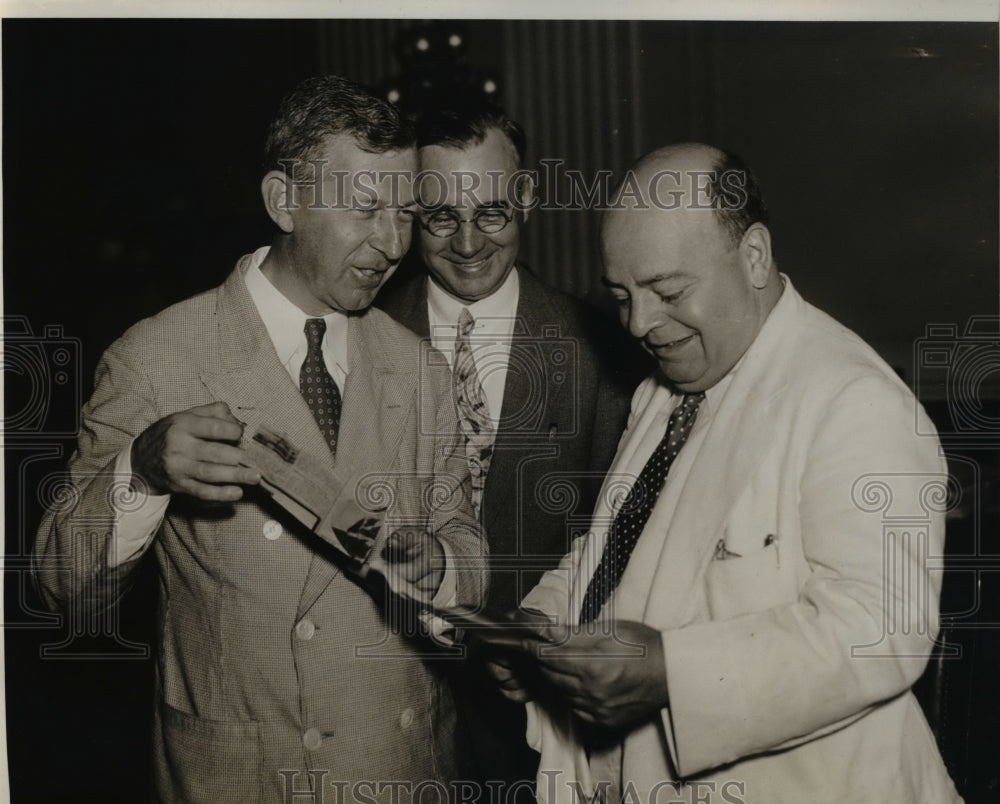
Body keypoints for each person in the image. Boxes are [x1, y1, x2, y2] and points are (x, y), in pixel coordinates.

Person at [32, 75, 485, 804]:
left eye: (406, 212)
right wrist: (140, 473)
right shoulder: (157, 357)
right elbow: (62, 590)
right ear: (284, 201)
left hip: (403, 771)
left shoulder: (420, 369)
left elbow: (463, 536)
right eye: (366, 208)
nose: (393, 243)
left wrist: (443, 567)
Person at [494, 142, 962, 803]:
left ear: (755, 257)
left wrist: (670, 674)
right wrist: (541, 625)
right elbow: (614, 556)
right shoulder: (663, 393)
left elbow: (881, 631)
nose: (639, 323)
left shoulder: (855, 400)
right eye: (623, 295)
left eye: (667, 290)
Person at [376, 99, 646, 800]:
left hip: (541, 728)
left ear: (526, 197)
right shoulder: (358, 336)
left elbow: (623, 542)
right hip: (387, 720)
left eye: (491, 211)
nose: (468, 243)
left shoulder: (603, 349)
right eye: (440, 216)